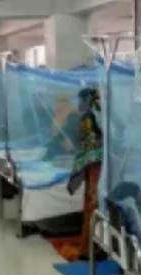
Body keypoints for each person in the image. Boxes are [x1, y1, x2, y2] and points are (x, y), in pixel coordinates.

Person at [66, 87, 103, 259]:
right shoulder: (98, 116)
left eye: (81, 101)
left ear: (88, 101)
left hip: (94, 165)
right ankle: (92, 246)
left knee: (92, 203)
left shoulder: (90, 118)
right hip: (96, 164)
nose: (78, 104)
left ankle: (91, 247)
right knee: (93, 202)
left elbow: (86, 144)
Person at [43, 94, 79, 160]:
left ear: (67, 102)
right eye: (57, 101)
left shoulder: (72, 113)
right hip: (58, 144)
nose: (58, 103)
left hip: (68, 147)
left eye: (62, 101)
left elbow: (71, 131)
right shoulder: (58, 113)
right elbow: (55, 129)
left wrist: (58, 134)